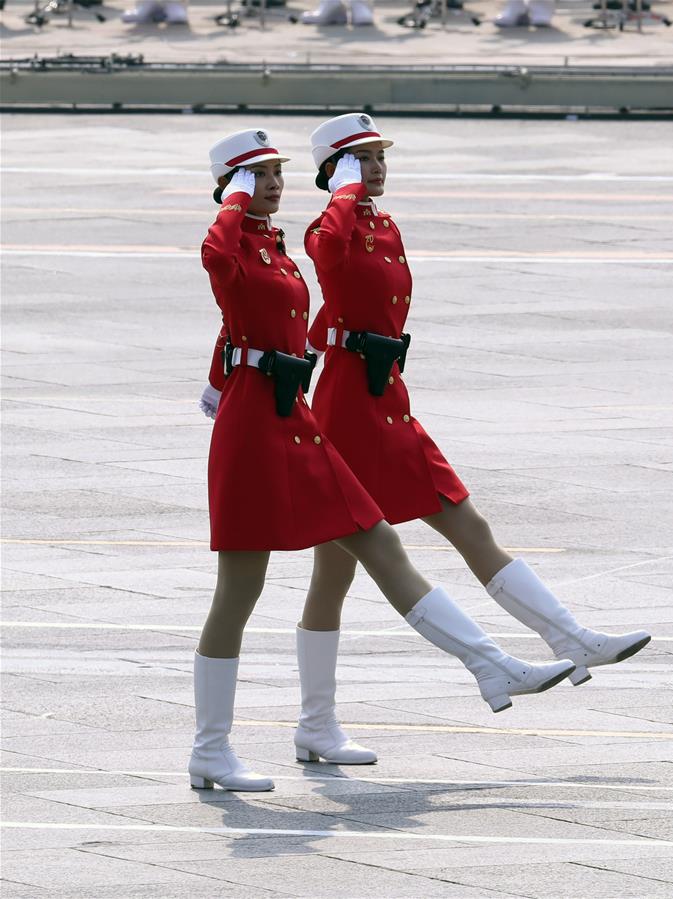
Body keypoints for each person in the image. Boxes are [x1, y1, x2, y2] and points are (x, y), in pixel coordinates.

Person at [193, 127, 576, 790]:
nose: (273, 185)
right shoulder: (235, 235)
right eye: (258, 176)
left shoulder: (272, 245)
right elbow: (217, 262)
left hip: (289, 417)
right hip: (254, 433)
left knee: (376, 537)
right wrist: (231, 206)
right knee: (239, 591)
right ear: (232, 185)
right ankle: (210, 748)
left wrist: (215, 372)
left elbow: (245, 320)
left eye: (278, 172)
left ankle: (488, 663)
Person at [296, 112, 649, 764]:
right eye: (361, 158)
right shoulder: (331, 225)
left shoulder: (382, 224)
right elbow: (330, 263)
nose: (376, 167)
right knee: (335, 570)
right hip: (349, 407)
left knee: (464, 524)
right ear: (336, 170)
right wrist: (340, 194)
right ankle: (318, 724)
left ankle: (569, 637)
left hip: (386, 397)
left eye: (379, 156)